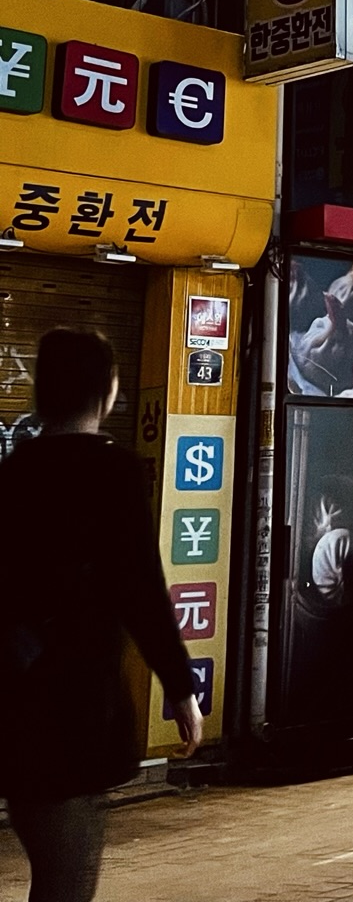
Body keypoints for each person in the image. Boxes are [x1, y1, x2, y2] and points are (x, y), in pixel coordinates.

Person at [0, 329, 201, 902]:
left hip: (13, 704)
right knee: (65, 881)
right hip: (74, 711)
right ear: (106, 391)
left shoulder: (12, 472)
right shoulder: (112, 472)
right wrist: (181, 688)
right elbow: (140, 590)